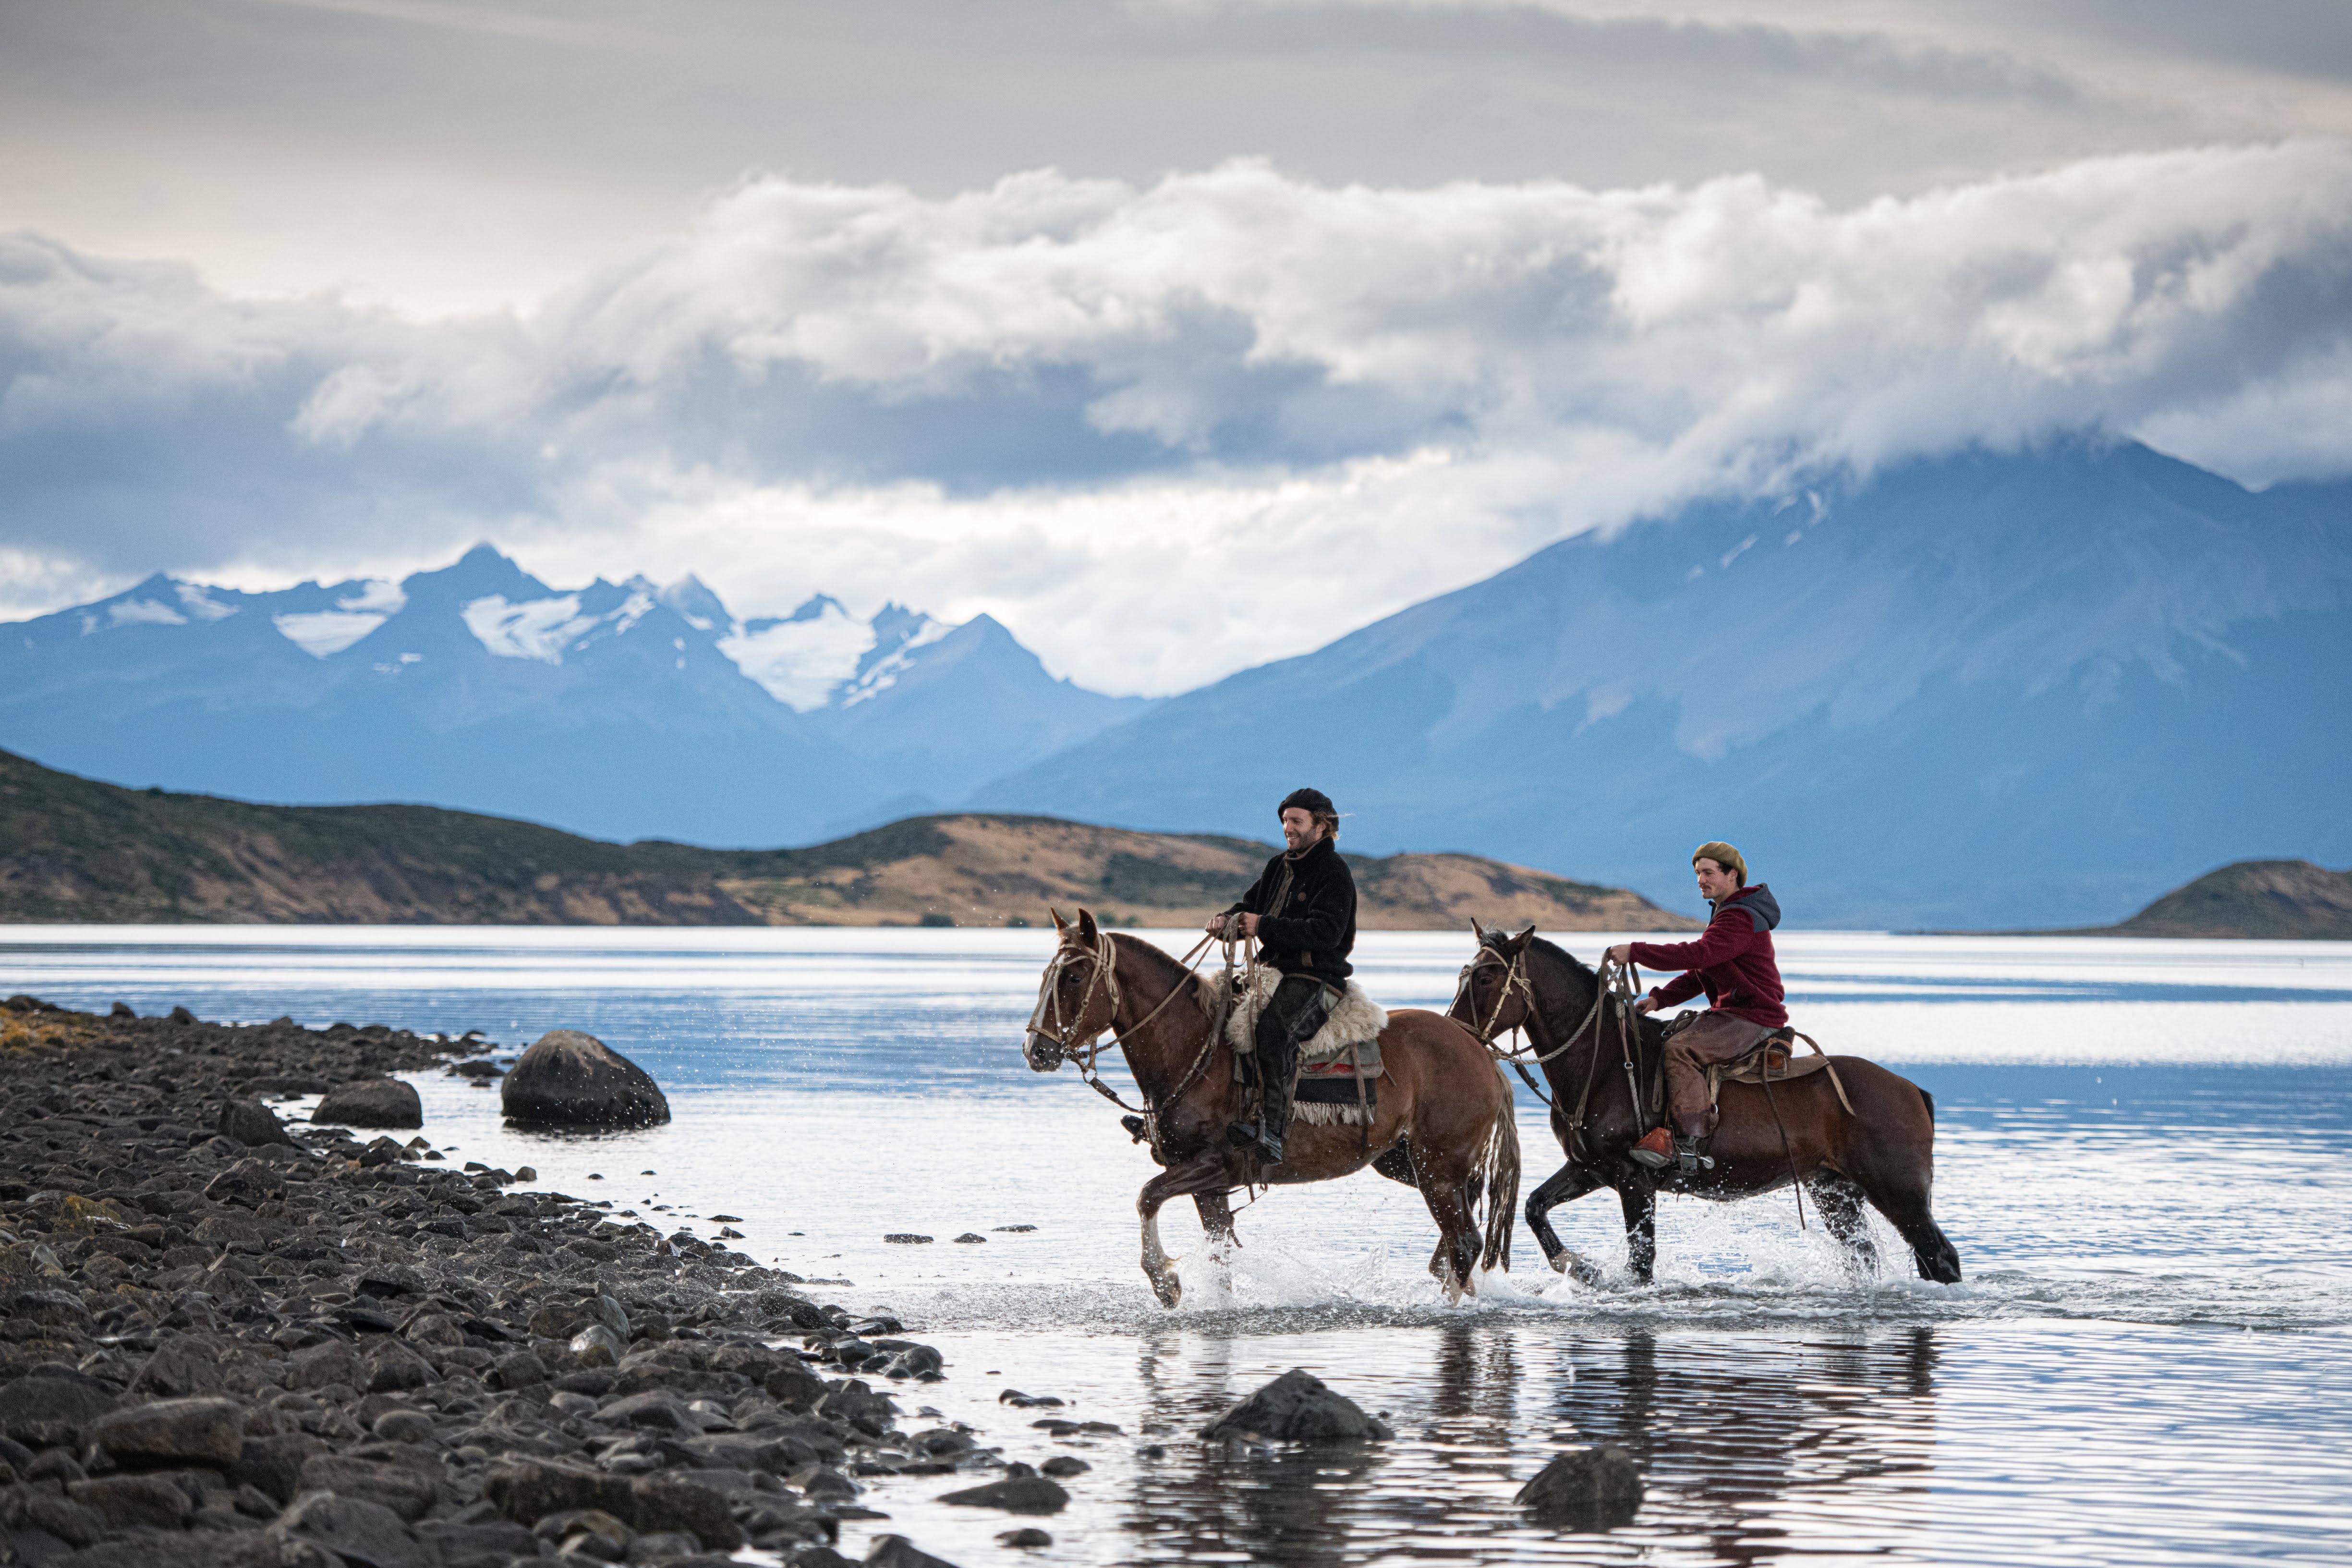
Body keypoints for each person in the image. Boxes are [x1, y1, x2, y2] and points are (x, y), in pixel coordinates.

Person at [1604, 841, 1786, 1173]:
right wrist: (1660, 998)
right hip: (1734, 1013)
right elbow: (1704, 968)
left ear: (1733, 875)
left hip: (1754, 1016)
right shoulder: (1727, 913)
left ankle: (1689, 1143)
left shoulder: (1740, 917)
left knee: (1680, 1048)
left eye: (1708, 872)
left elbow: (1699, 954)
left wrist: (1636, 951)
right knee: (1661, 1040)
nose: (1701, 879)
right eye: (1698, 873)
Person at [1205, 787, 1358, 1166]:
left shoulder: (1334, 872)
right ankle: (1198, 1118)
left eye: (1296, 821)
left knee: (1274, 1033)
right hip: (1271, 971)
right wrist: (1227, 919)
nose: (1287, 828)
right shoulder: (1279, 865)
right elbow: (1250, 906)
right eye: (1285, 821)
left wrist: (1264, 926)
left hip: (1316, 977)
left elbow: (1328, 933)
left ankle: (1273, 1131)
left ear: (1321, 826)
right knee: (1208, 1011)